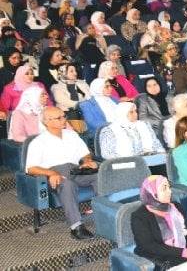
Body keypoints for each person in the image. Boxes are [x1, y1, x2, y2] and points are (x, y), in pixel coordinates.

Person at [25, 106, 97, 240]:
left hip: (76, 170)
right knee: (67, 184)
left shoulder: (72, 135)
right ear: (47, 122)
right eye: (59, 118)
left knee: (100, 176)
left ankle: (106, 212)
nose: (64, 119)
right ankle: (76, 227)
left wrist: (87, 161)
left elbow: (85, 153)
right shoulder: (38, 142)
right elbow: (31, 168)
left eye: (64, 116)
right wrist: (51, 173)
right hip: (55, 174)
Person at [132, 175, 187, 269]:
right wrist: (185, 253)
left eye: (169, 187)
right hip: (162, 257)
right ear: (152, 192)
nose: (169, 191)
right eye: (164, 188)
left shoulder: (176, 207)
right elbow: (149, 246)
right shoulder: (139, 216)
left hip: (186, 249)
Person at [100, 102, 165, 159]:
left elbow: (156, 144)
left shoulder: (144, 125)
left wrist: (162, 156)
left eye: (135, 111)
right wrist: (127, 160)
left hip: (149, 159)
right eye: (131, 112)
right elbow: (107, 154)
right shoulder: (109, 131)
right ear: (122, 113)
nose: (136, 114)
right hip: (125, 163)